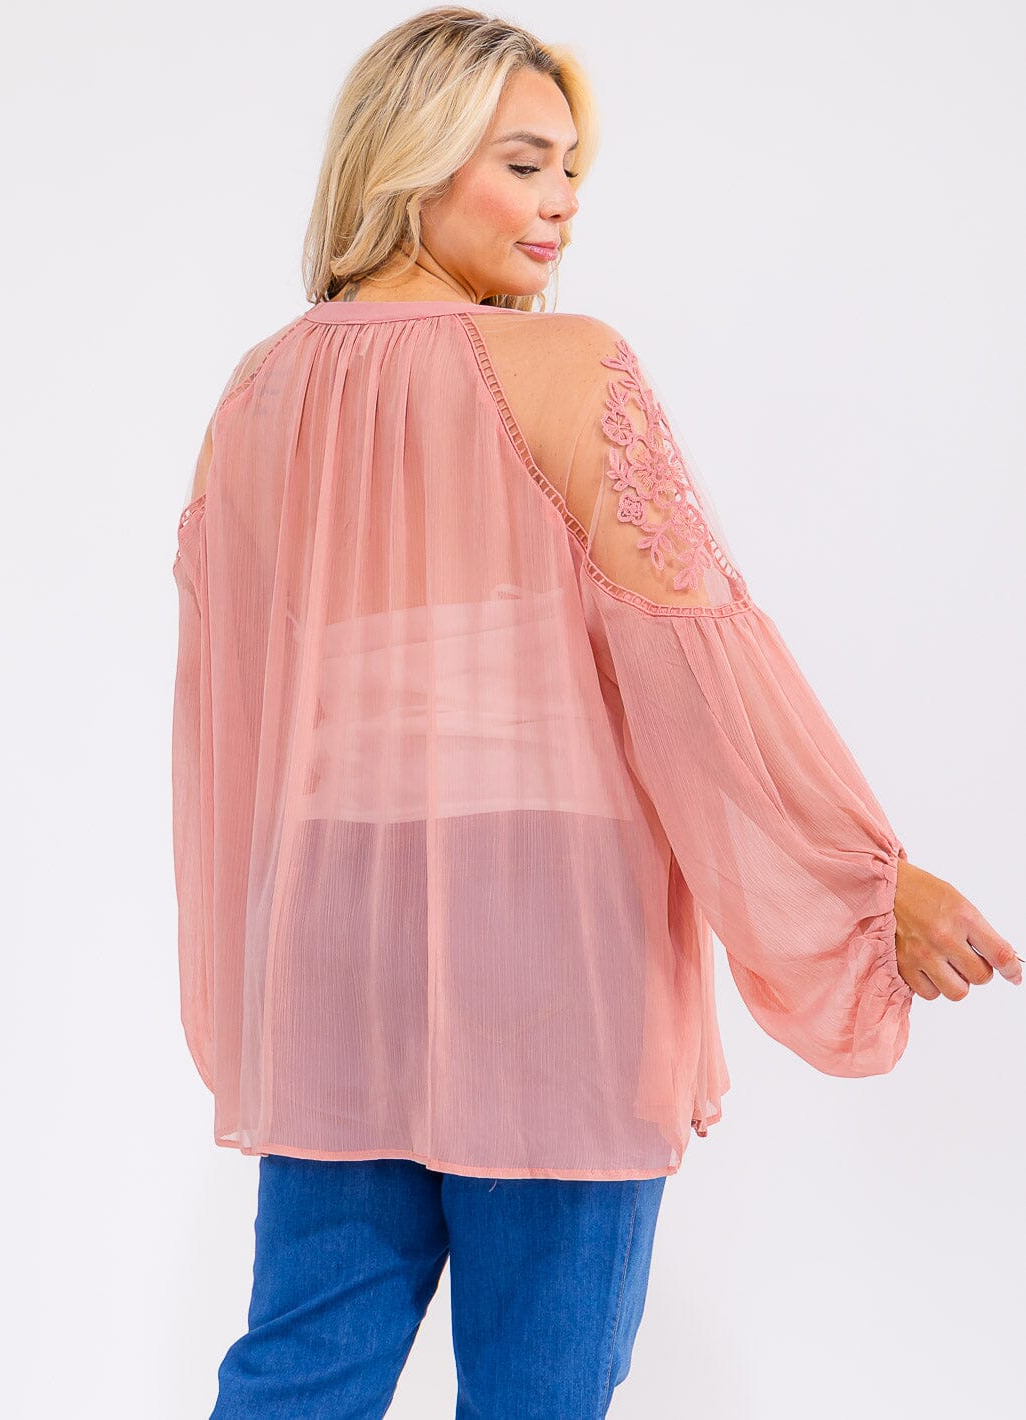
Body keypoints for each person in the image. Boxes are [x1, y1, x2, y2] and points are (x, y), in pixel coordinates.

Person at [169, 8, 1020, 1417]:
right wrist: (868, 876)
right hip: (545, 928)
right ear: (411, 160)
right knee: (543, 1387)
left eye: (571, 168)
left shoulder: (254, 392)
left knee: (299, 1372)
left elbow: (233, 710)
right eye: (523, 164)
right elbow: (698, 668)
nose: (561, 201)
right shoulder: (564, 367)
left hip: (328, 930)